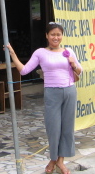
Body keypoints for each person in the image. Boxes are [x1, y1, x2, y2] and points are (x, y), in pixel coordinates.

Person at [5, 22, 82, 174]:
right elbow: (24, 70)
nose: (56, 37)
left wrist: (74, 64)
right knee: (53, 128)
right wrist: (12, 54)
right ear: (47, 36)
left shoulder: (68, 51)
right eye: (52, 34)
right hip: (52, 93)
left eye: (58, 34)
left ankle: (60, 161)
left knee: (67, 128)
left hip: (70, 90)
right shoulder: (40, 52)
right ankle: (53, 159)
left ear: (62, 36)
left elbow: (80, 71)